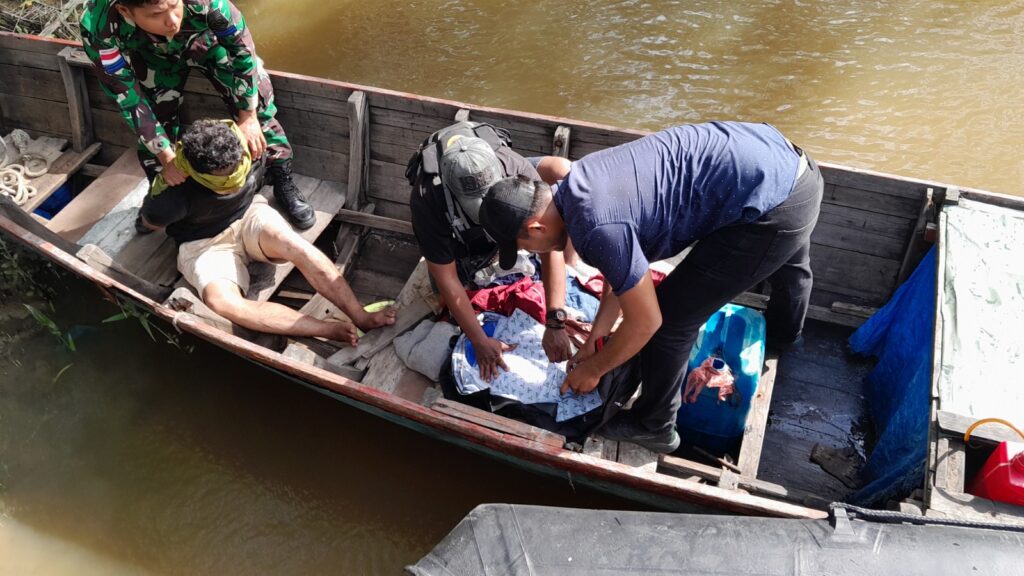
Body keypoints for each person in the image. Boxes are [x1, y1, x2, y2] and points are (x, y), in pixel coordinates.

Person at [477, 121, 823, 453]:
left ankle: (654, 424)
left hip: (773, 207)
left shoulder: (596, 228)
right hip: (785, 164)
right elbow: (618, 272)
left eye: (522, 247)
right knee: (789, 261)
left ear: (536, 228)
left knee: (672, 320)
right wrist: (596, 338)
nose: (530, 254)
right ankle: (786, 334)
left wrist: (594, 370)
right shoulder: (578, 182)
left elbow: (646, 321)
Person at [138, 119, 395, 343]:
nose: (231, 182)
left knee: (297, 247)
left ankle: (361, 316)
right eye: (221, 179)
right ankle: (326, 329)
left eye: (235, 172)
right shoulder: (173, 191)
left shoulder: (251, 143)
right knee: (221, 302)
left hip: (249, 215)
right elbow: (150, 221)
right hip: (205, 244)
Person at [81, 0, 315, 230]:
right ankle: (163, 195)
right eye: (156, 14)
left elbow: (242, 51)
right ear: (125, 10)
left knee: (257, 103)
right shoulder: (98, 26)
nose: (172, 21)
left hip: (208, 41)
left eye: (174, 6)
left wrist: (248, 116)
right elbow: (128, 98)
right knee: (154, 118)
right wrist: (166, 157)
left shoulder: (210, 3)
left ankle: (282, 178)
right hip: (152, 55)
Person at [408, 126, 575, 381]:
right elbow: (446, 278)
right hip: (456, 234)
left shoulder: (517, 171)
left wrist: (555, 319)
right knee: (448, 301)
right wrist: (480, 341)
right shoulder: (427, 198)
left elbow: (549, 248)